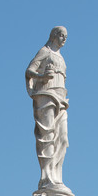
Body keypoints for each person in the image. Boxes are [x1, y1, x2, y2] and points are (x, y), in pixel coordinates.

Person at [25, 26, 69, 187]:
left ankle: (57, 177)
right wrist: (42, 76)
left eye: (66, 36)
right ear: (54, 35)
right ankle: (47, 177)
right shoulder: (45, 51)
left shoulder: (61, 57)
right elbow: (30, 70)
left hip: (61, 98)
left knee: (62, 138)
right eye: (62, 35)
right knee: (47, 136)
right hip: (46, 96)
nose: (64, 39)